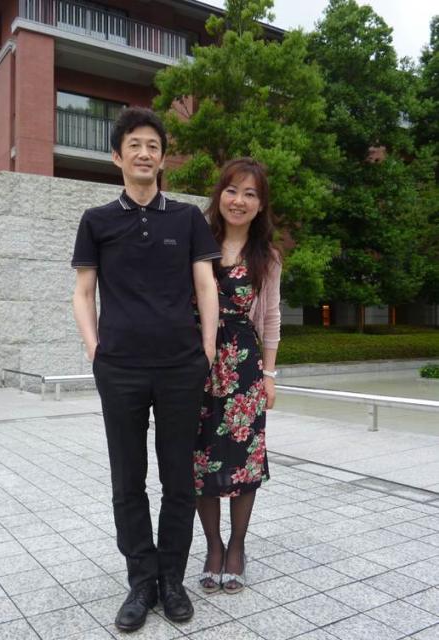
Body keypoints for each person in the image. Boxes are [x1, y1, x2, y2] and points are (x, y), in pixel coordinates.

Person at [71, 107, 220, 631]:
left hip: (181, 366)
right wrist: (95, 349)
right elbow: (83, 291)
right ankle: (141, 580)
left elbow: (206, 284)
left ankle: (172, 579)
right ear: (117, 156)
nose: (144, 153)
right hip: (121, 368)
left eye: (153, 146)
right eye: (134, 144)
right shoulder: (96, 221)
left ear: (162, 159)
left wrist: (206, 349)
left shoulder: (187, 218)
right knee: (127, 479)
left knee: (179, 478)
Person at [194, 158, 282, 594]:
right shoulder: (198, 243)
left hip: (244, 365)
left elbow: (271, 317)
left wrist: (269, 373)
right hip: (199, 363)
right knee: (200, 458)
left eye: (250, 194)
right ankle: (213, 546)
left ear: (260, 204)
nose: (239, 200)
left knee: (244, 457)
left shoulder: (267, 257)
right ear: (220, 195)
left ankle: (237, 547)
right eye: (232, 190)